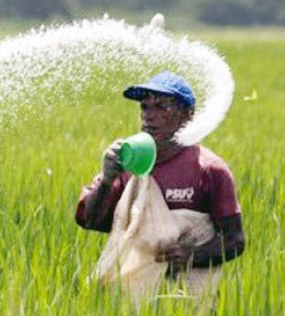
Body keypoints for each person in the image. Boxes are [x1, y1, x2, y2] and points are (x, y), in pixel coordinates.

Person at [75, 72, 245, 276]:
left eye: (162, 107)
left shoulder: (209, 170)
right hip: (132, 291)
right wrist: (107, 180)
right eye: (145, 107)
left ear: (187, 115)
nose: (149, 115)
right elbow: (91, 221)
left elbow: (235, 240)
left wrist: (191, 256)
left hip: (189, 296)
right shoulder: (127, 163)